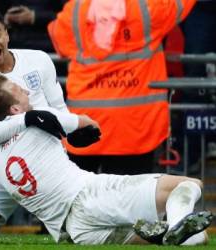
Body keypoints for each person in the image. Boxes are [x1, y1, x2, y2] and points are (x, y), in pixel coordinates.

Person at [0, 73, 213, 246]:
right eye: (17, 89)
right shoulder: (36, 120)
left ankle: (177, 232)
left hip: (74, 231)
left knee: (197, 239)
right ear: (14, 110)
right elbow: (83, 122)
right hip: (90, 197)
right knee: (190, 185)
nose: (24, 89)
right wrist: (84, 124)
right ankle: (178, 223)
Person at [0, 9, 76, 244]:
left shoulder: (39, 59)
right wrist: (29, 118)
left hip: (45, 161)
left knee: (74, 235)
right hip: (3, 165)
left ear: (7, 35)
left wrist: (67, 138)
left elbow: (61, 111)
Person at [48, 0, 197, 175]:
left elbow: (60, 40)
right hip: (135, 131)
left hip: (84, 125)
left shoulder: (76, 10)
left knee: (82, 198)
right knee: (129, 200)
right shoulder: (148, 7)